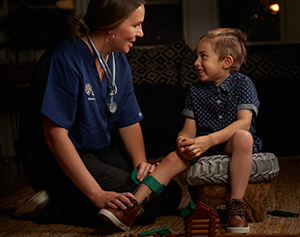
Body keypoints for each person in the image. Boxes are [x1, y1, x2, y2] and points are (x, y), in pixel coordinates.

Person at [13, 0, 183, 231]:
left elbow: (129, 120)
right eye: (136, 25)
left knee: (169, 192)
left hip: (97, 152)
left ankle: (64, 197)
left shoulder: (118, 60)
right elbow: (55, 137)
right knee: (141, 204)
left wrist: (141, 165)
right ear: (111, 25)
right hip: (51, 158)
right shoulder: (65, 59)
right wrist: (97, 195)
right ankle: (49, 208)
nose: (141, 33)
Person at [89, 27, 262, 233]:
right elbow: (189, 130)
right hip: (201, 145)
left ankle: (236, 207)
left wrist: (208, 141)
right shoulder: (195, 90)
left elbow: (244, 122)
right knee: (173, 157)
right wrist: (184, 140)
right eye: (196, 56)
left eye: (203, 56)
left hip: (229, 142)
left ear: (226, 61)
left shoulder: (243, 83)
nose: (196, 62)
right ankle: (132, 206)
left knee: (244, 137)